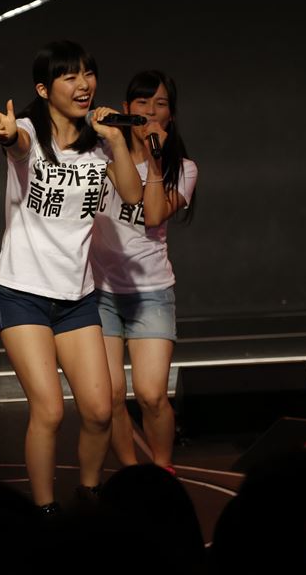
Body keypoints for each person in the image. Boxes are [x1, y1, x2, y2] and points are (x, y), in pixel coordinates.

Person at [0, 40, 141, 514]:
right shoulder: (29, 132)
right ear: (44, 89)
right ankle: (44, 511)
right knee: (47, 409)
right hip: (22, 291)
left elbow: (133, 196)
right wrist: (8, 134)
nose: (83, 84)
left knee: (100, 409)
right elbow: (17, 144)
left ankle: (88, 493)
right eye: (70, 76)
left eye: (88, 74)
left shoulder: (99, 144)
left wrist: (116, 141)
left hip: (76, 294)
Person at [91, 70, 198, 471]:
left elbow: (152, 214)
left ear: (171, 115)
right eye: (142, 103)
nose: (151, 111)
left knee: (152, 395)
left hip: (151, 291)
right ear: (127, 109)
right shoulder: (102, 155)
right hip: (99, 291)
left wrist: (154, 160)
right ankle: (132, 472)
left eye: (160, 104)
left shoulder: (183, 169)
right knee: (110, 396)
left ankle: (163, 468)